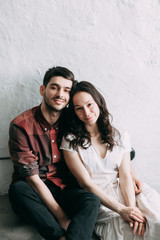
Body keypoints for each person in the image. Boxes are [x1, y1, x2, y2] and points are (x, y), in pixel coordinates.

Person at [8, 67, 101, 240]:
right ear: (43, 90)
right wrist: (62, 218)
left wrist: (131, 174)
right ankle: (59, 237)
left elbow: (105, 139)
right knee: (17, 190)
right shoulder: (21, 126)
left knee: (92, 200)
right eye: (54, 87)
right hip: (35, 191)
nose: (60, 94)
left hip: (66, 189)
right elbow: (32, 179)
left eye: (66, 90)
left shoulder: (73, 118)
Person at [60, 81, 160, 240]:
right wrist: (121, 210)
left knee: (156, 222)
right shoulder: (70, 141)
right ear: (74, 112)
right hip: (102, 201)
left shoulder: (119, 133)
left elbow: (125, 174)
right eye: (79, 108)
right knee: (130, 234)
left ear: (98, 102)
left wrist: (131, 208)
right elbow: (86, 184)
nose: (86, 112)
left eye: (89, 104)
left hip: (127, 193)